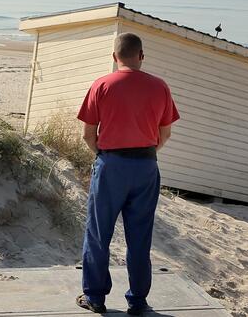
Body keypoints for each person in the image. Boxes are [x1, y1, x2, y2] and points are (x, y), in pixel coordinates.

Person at [75, 33, 180, 315]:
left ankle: (95, 297)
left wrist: (104, 155)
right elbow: (165, 132)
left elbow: (88, 134)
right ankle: (137, 300)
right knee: (140, 236)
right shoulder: (160, 87)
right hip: (146, 166)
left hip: (112, 166)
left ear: (114, 57)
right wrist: (145, 152)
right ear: (141, 56)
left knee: (99, 233)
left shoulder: (102, 84)